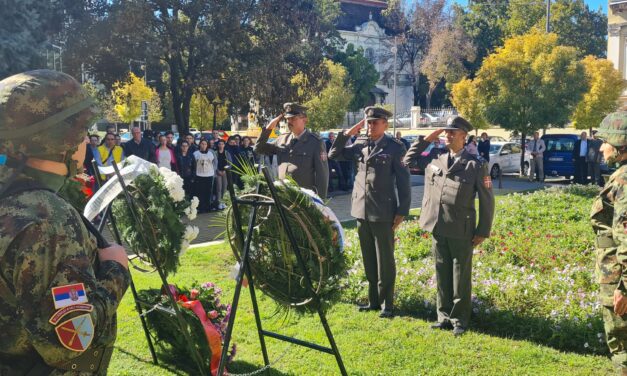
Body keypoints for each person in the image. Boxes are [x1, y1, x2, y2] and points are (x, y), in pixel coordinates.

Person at [0, 69, 129, 374]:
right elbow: (69, 340)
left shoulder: (11, 196)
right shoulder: (46, 219)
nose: (87, 140)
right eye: (83, 132)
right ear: (61, 139)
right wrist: (116, 271)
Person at [403, 116, 495, 336]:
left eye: (452, 132)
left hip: (461, 229)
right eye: (446, 132)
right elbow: (407, 159)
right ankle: (442, 316)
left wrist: (483, 230)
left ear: (464, 137)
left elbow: (487, 200)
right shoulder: (436, 159)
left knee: (460, 275)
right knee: (441, 272)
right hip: (438, 226)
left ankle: (459, 320)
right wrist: (427, 139)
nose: (448, 135)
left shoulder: (475, 165)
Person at [329, 106, 411, 318]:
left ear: (385, 124)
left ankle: (388, 304)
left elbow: (403, 181)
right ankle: (373, 300)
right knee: (368, 258)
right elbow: (334, 154)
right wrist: (348, 133)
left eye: (375, 122)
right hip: (361, 209)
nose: (371, 126)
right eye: (368, 122)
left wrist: (402, 210)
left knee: (385, 260)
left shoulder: (394, 147)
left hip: (384, 211)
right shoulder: (360, 144)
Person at [590, 110, 627, 375]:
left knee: (621, 345)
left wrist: (624, 287)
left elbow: (625, 235)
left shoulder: (624, 180)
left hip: (617, 274)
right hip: (615, 271)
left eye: (606, 142)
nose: (602, 147)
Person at [254, 103, 329, 199]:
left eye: (293, 118)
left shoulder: (315, 142)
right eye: (287, 119)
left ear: (304, 119)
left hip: (305, 198)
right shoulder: (282, 139)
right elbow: (258, 148)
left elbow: (322, 175)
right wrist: (269, 128)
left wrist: (320, 203)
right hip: (284, 197)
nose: (289, 122)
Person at [193, 139, 216, 213]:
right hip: (199, 175)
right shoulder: (195, 153)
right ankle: (201, 208)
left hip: (209, 175)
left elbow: (213, 162)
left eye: (205, 144)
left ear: (207, 145)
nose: (203, 145)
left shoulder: (210, 153)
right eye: (202, 144)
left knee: (208, 192)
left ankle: (208, 207)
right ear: (199, 144)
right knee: (200, 192)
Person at [215, 139, 231, 209]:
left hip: (225, 172)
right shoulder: (215, 153)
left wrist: (225, 170)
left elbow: (230, 163)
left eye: (222, 144)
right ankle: (219, 202)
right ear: (218, 145)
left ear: (224, 145)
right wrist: (217, 170)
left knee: (224, 187)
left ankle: (223, 202)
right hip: (217, 172)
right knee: (219, 188)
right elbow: (214, 163)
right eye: (220, 144)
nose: (221, 145)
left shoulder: (227, 153)